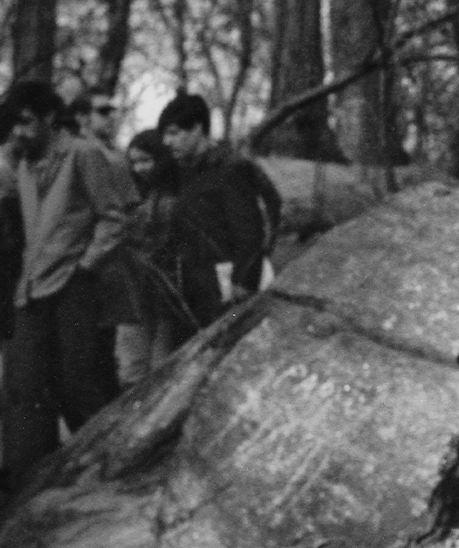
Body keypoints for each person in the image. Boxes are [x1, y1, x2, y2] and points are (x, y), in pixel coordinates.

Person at [0, 79, 130, 485]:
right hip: (33, 290)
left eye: (26, 122)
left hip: (74, 287)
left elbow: (115, 218)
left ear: (50, 117)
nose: (19, 133)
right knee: (23, 386)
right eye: (13, 125)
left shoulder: (84, 154)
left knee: (77, 384)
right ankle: (27, 480)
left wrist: (86, 267)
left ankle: (111, 468)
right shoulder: (23, 165)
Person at [155, 92, 283, 326]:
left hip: (229, 292)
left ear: (197, 129)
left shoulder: (229, 170)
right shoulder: (185, 172)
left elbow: (250, 232)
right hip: (197, 291)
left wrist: (242, 283)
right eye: (164, 135)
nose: (167, 142)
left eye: (173, 133)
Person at [114, 129, 196, 385]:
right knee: (131, 369)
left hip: (166, 297)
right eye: (134, 162)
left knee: (163, 368)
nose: (139, 168)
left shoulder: (177, 197)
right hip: (133, 295)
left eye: (146, 160)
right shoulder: (133, 195)